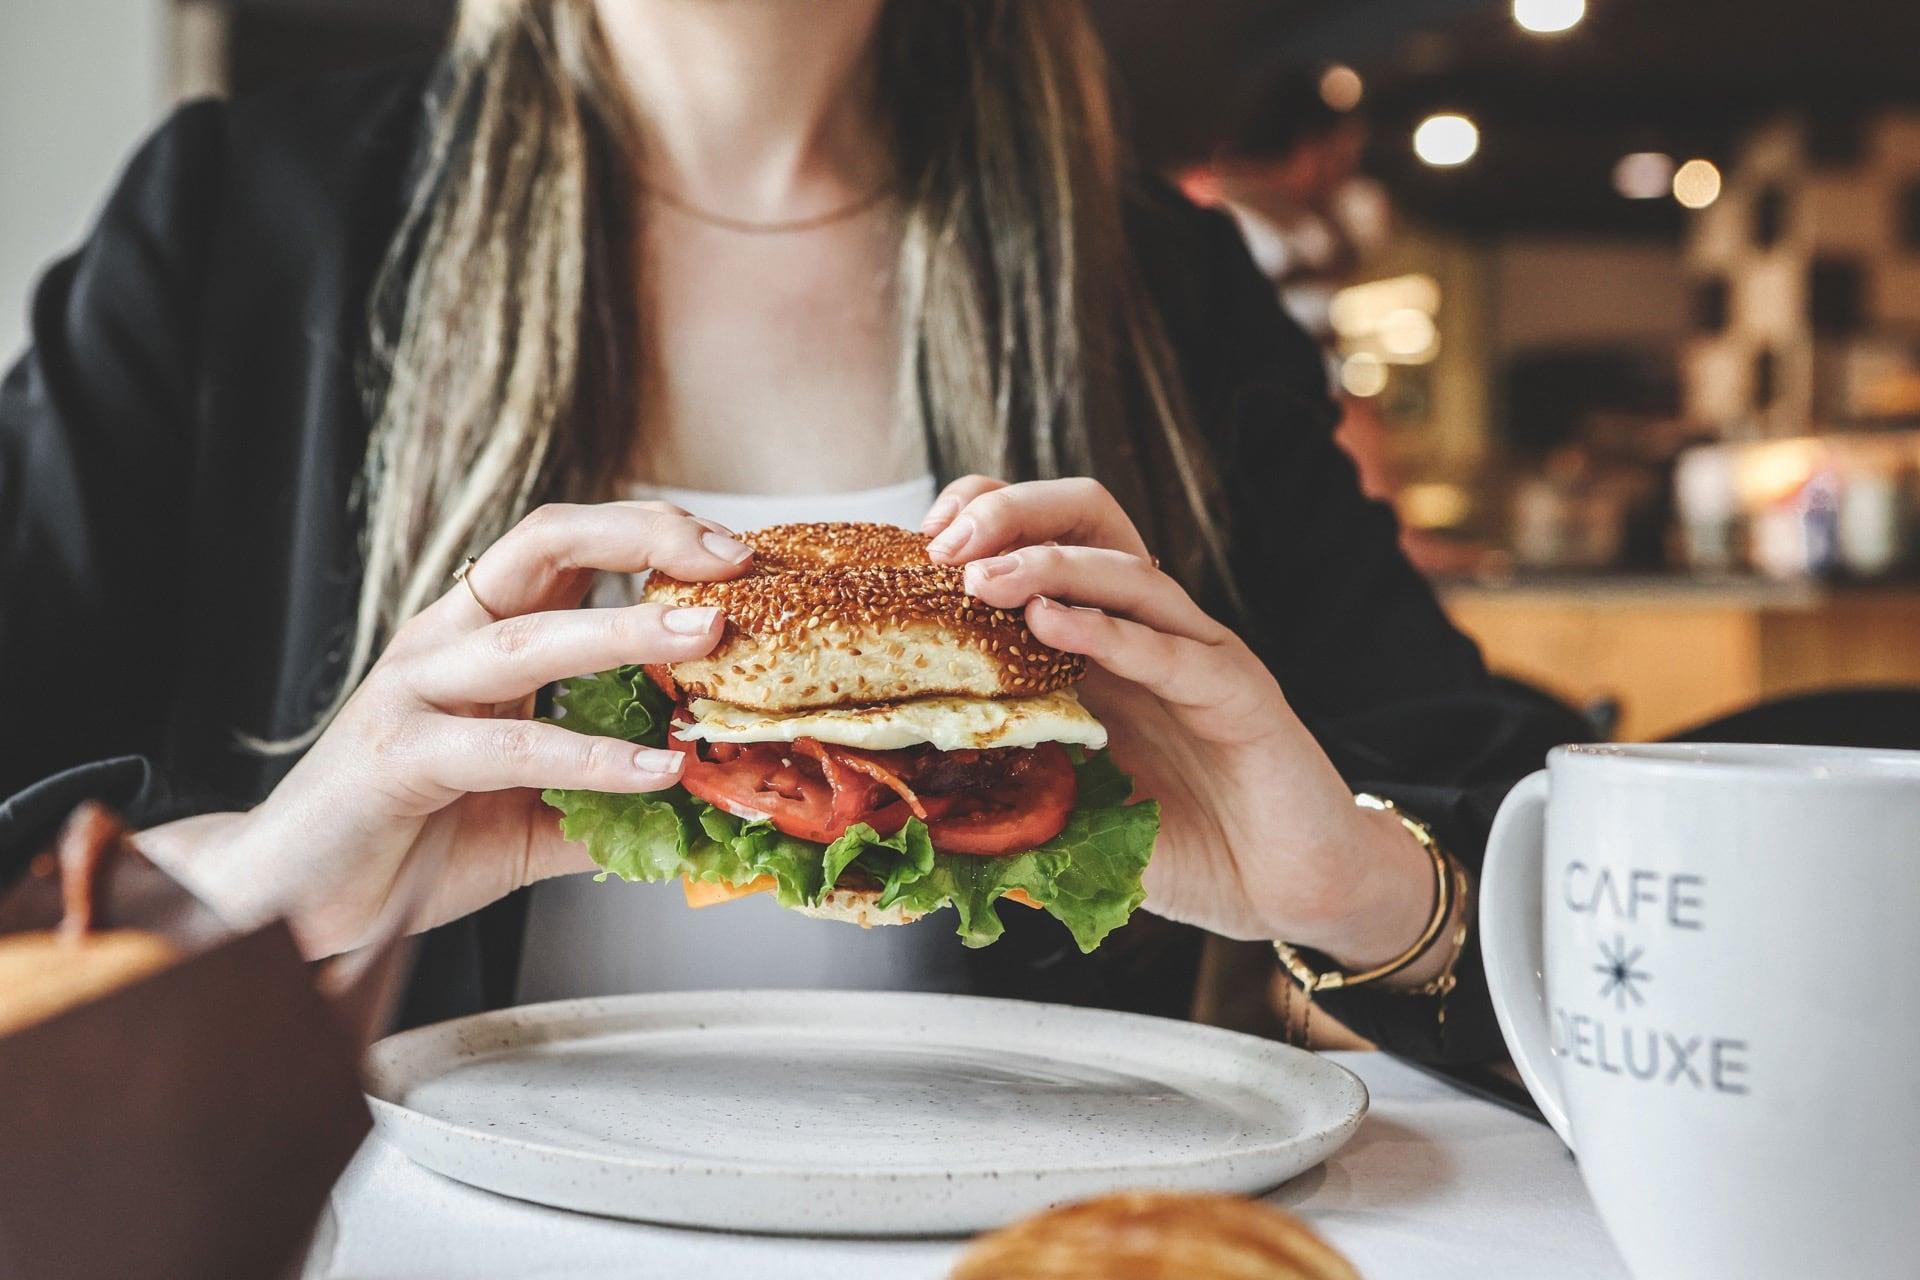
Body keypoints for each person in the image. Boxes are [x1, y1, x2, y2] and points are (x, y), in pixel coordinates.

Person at [0, 0, 1579, 1062]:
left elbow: (1570, 883)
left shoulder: (1170, 295)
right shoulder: (233, 233)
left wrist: (1367, 893)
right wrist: (249, 890)